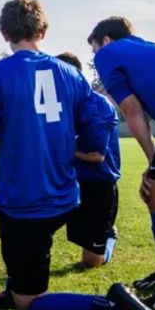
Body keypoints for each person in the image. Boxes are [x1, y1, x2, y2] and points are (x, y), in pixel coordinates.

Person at [0, 0, 155, 310]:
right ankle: (17, 280)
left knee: (30, 306)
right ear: (43, 32)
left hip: (25, 203)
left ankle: (112, 305)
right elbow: (103, 117)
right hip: (67, 194)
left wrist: (5, 134)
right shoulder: (71, 75)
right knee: (1, 200)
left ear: (3, 32)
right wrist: (79, 145)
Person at [89, 17, 155, 310]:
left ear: (105, 41)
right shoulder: (145, 50)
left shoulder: (109, 53)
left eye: (94, 49)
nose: (96, 58)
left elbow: (132, 111)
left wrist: (153, 161)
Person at [56, 52, 120, 268]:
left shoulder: (98, 106)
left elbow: (95, 156)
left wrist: (60, 149)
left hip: (97, 184)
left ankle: (109, 237)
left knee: (91, 263)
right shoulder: (57, 105)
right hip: (67, 181)